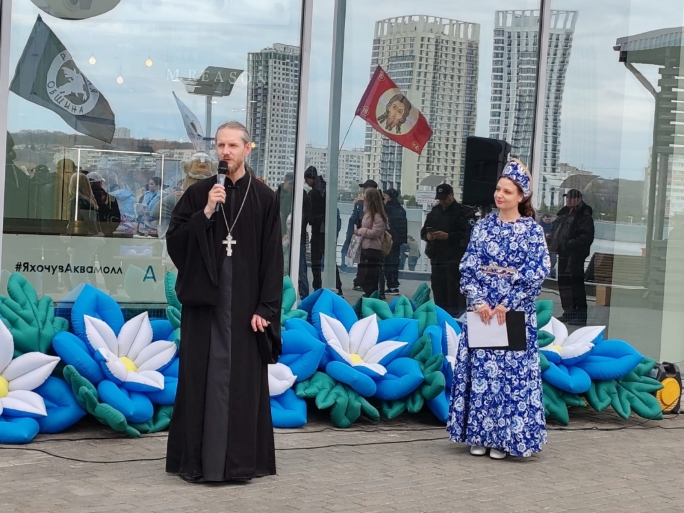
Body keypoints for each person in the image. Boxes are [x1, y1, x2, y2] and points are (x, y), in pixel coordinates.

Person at [165, 120, 283, 483]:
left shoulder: (264, 198)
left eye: (232, 146)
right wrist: (205, 214)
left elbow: (272, 258)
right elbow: (175, 242)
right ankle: (198, 463)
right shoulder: (199, 193)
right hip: (206, 307)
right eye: (220, 146)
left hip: (245, 306)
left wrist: (266, 308)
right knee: (202, 379)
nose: (225, 152)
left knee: (242, 383)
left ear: (247, 149)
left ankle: (240, 464)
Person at [447, 159, 550, 460]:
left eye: (507, 191)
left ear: (521, 196)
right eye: (498, 189)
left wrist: (509, 302)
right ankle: (478, 434)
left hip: (513, 313)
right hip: (483, 312)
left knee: (509, 376)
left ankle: (504, 439)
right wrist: (479, 301)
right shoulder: (483, 226)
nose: (500, 195)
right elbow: (468, 267)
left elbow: (537, 271)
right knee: (481, 372)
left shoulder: (531, 231)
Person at [420, 184, 476, 318]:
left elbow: (470, 234)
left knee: (455, 295)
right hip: (438, 259)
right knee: (439, 292)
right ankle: (440, 317)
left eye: (445, 198)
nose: (443, 201)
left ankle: (456, 319)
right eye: (440, 199)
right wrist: (429, 236)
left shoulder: (464, 212)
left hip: (455, 260)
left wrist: (448, 236)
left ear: (451, 195)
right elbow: (423, 231)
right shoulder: (435, 212)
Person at [550, 189, 594, 326]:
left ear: (579, 199)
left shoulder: (584, 215)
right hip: (563, 254)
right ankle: (569, 312)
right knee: (564, 285)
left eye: (571, 198)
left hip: (575, 255)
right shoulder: (563, 214)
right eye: (567, 197)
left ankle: (580, 316)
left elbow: (586, 237)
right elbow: (556, 229)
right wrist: (552, 239)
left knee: (576, 285)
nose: (568, 200)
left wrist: (569, 244)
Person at [305, 166, 342, 295]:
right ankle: (338, 287)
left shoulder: (313, 193)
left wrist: (310, 220)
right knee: (331, 260)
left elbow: (310, 212)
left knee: (315, 261)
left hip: (318, 230)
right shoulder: (328, 189)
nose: (306, 182)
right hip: (329, 230)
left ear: (311, 178)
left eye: (306, 179)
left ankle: (317, 288)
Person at [355, 188, 388, 297]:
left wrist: (361, 231)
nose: (364, 200)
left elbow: (375, 232)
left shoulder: (378, 216)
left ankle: (371, 295)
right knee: (363, 275)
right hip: (364, 247)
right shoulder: (367, 213)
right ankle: (368, 293)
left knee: (370, 276)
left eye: (365, 198)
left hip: (373, 249)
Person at [342, 179, 377, 275]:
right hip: (358, 234)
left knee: (365, 260)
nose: (363, 190)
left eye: (365, 188)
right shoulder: (360, 203)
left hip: (365, 237)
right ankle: (347, 267)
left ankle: (355, 273)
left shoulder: (373, 206)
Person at [381, 188, 407, 295]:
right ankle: (394, 285)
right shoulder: (401, 209)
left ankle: (391, 285)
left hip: (389, 240)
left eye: (385, 196)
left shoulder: (388, 209)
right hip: (397, 241)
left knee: (388, 263)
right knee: (394, 262)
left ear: (390, 197)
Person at [538, 213, 557, 278]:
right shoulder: (539, 226)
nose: (548, 220)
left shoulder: (553, 226)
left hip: (552, 246)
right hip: (542, 246)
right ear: (542, 218)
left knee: (553, 260)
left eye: (549, 219)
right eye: (546, 219)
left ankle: (551, 272)